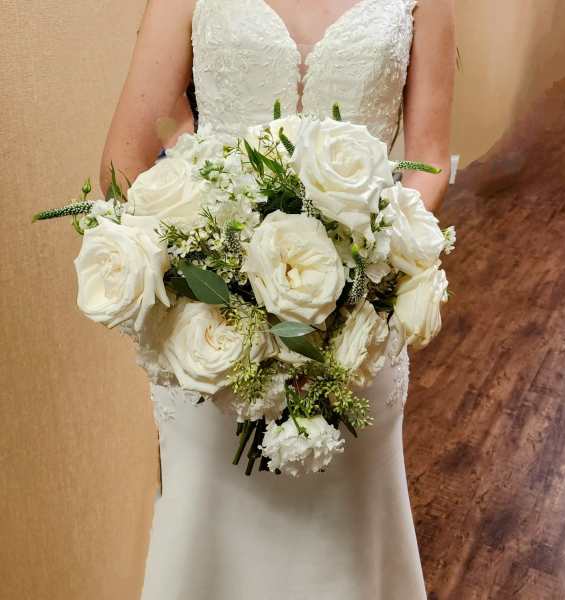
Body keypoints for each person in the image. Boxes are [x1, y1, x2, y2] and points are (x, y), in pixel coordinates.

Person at [100, 1, 455, 598]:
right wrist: (211, 275)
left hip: (353, 332)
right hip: (213, 338)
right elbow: (122, 162)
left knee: (346, 540)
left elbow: (431, 158)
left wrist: (361, 269)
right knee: (210, 535)